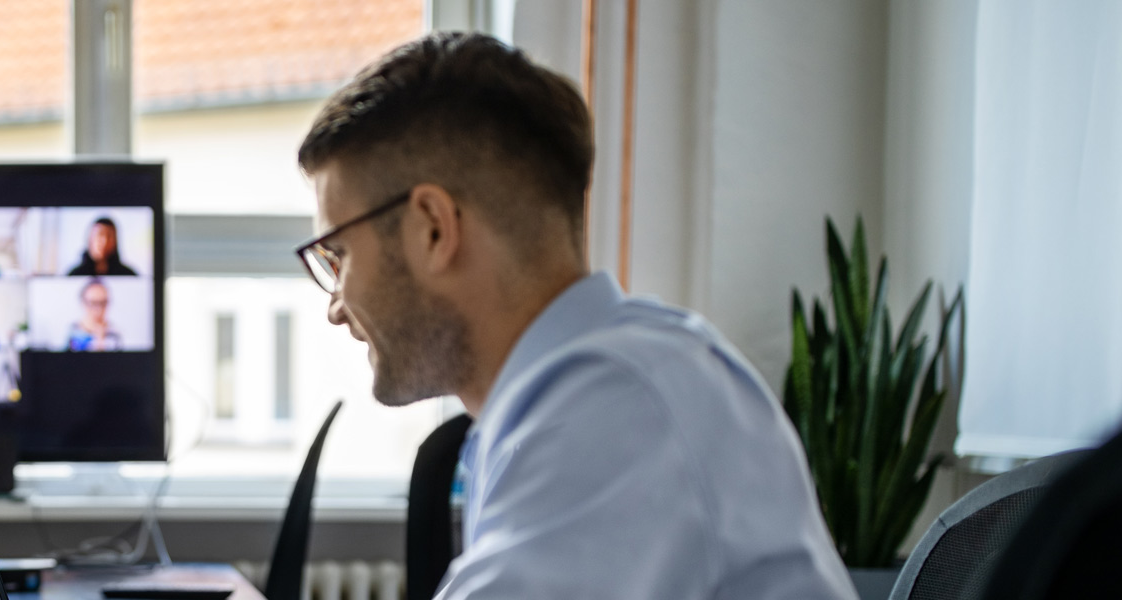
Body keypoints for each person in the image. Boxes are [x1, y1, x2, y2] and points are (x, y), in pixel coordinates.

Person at [295, 32, 852, 598]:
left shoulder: (620, 410)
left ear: (433, 228)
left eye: (338, 255)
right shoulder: (577, 396)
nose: (335, 308)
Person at [66, 217, 137, 276]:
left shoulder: (127, 275)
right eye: (100, 234)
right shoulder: (74, 276)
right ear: (90, 239)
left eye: (109, 236)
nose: (104, 241)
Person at [66, 279, 121, 351]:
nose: (99, 309)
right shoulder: (73, 333)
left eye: (103, 303)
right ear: (83, 302)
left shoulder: (114, 334)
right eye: (93, 303)